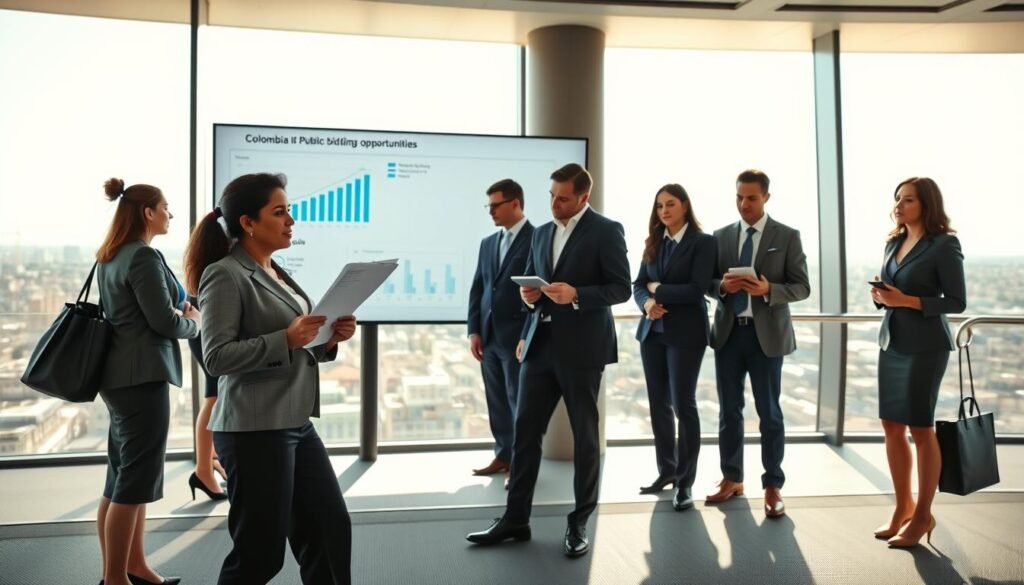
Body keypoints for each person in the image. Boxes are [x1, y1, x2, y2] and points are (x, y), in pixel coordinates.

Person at [186, 173, 357, 585]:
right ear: (248, 222)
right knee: (260, 556)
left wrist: (328, 339)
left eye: (289, 211)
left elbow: (302, 340)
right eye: (279, 212)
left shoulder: (276, 271)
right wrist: (285, 338)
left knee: (329, 532)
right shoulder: (225, 274)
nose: (291, 220)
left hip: (296, 421)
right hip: (254, 429)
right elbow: (216, 357)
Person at [466, 163, 631, 557]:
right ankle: (515, 519)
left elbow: (621, 287)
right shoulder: (540, 233)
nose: (555, 203)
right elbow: (530, 282)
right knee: (524, 434)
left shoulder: (607, 231)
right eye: (552, 196)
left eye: (564, 198)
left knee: (585, 439)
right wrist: (529, 301)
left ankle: (578, 523)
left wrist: (576, 294)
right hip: (539, 347)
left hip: (582, 351)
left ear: (583, 197)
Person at [95, 178, 199, 585]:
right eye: (166, 207)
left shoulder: (111, 255)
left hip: (119, 376)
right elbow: (163, 322)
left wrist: (177, 306)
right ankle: (116, 580)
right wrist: (193, 321)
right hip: (142, 377)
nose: (170, 214)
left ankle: (131, 568)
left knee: (121, 476)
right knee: (133, 481)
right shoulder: (141, 257)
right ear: (147, 213)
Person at [707, 169, 809, 518]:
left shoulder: (788, 236)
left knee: (770, 413)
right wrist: (722, 286)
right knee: (729, 411)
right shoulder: (720, 236)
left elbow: (802, 287)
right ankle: (732, 478)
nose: (744, 204)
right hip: (728, 334)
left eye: (751, 197)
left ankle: (773, 485)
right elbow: (707, 283)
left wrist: (769, 290)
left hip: (767, 338)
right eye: (739, 197)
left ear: (766, 197)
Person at [870, 177, 965, 548]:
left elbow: (956, 302)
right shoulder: (893, 242)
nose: (899, 204)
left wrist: (906, 301)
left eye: (907, 199)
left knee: (921, 428)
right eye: (897, 198)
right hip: (892, 342)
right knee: (891, 426)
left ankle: (924, 514)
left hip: (925, 347)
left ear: (926, 204)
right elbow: (893, 294)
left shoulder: (944, 244)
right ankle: (902, 507)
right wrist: (882, 296)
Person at [632, 184, 717, 512]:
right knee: (659, 406)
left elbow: (696, 291)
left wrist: (659, 289)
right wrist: (648, 302)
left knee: (684, 406)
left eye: (670, 204)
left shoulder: (703, 243)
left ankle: (685, 482)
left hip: (686, 335)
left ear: (684, 206)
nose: (663, 210)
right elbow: (637, 284)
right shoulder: (653, 242)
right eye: (659, 206)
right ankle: (666, 471)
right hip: (652, 332)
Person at [467, 179, 534, 484]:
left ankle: (521, 466)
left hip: (519, 337)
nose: (490, 211)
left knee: (519, 404)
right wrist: (473, 331)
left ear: (515, 204)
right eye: (489, 205)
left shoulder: (538, 238)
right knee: (497, 401)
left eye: (495, 205)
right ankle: (503, 455)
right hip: (489, 337)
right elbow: (479, 287)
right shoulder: (488, 243)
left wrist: (527, 334)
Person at [185, 296, 227, 501]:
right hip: (205, 319)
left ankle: (210, 460)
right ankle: (203, 470)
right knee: (215, 393)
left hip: (207, 317)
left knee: (216, 392)